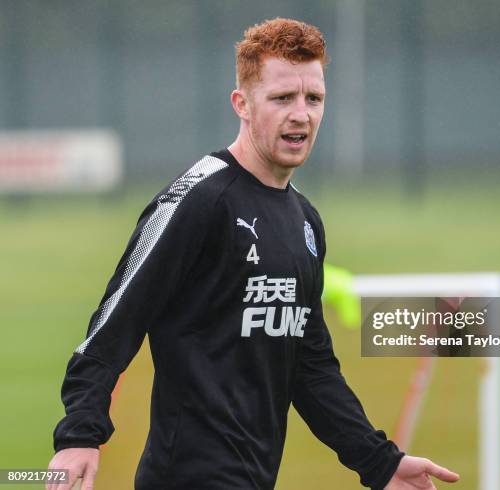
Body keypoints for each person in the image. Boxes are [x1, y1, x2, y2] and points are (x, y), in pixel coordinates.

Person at [47, 18, 460, 490]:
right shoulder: (198, 199)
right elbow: (115, 322)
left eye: (314, 99)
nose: (301, 114)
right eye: (282, 98)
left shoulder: (305, 221)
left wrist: (378, 461)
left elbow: (310, 364)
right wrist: (80, 433)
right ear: (242, 104)